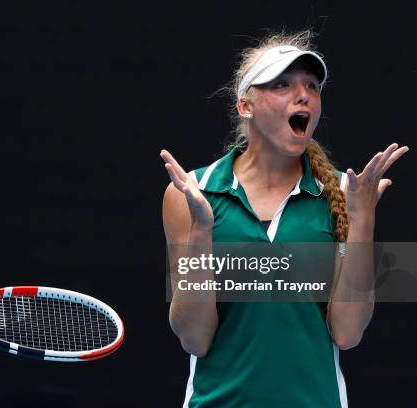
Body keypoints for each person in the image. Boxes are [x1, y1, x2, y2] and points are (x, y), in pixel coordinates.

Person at [161, 30, 409, 407]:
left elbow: (347, 333)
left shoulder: (344, 193)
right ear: (246, 106)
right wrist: (202, 231)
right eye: (282, 84)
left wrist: (363, 221)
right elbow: (194, 338)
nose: (303, 94)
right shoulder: (191, 193)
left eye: (312, 85)